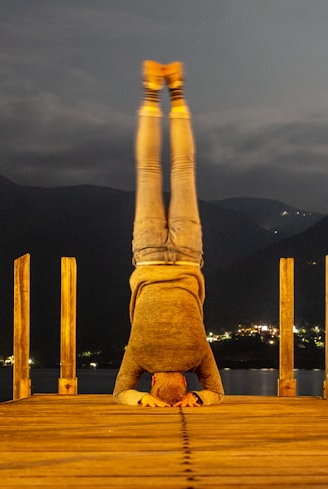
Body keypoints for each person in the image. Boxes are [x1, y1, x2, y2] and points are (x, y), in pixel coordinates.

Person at [113, 60, 225, 408]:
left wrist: (197, 398)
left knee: (182, 169)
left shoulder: (199, 357)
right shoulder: (138, 357)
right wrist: (143, 401)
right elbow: (120, 395)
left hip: (188, 258)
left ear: (181, 381)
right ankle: (152, 90)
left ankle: (175, 90)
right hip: (147, 257)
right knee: (148, 171)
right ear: (153, 380)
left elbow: (217, 395)